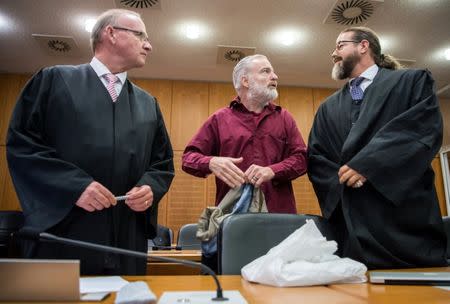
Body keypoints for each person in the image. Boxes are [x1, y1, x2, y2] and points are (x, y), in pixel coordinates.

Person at [6, 9, 174, 275]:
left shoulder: (148, 104)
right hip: (65, 232)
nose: (149, 45)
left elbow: (162, 162)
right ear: (111, 34)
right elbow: (24, 145)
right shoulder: (53, 80)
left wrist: (149, 188)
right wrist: (74, 187)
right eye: (140, 34)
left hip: (126, 237)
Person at [307, 26, 447, 269]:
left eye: (340, 45)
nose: (334, 53)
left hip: (403, 220)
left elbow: (419, 130)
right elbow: (317, 157)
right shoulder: (327, 108)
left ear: (364, 46)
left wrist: (368, 165)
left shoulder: (411, 82)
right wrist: (344, 183)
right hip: (352, 224)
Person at [182, 54, 308, 270]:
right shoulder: (219, 119)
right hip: (233, 223)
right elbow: (188, 158)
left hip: (279, 220)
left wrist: (272, 170)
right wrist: (212, 162)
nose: (274, 76)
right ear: (245, 81)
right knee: (232, 282)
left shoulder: (284, 118)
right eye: (265, 71)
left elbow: (302, 159)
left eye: (273, 71)